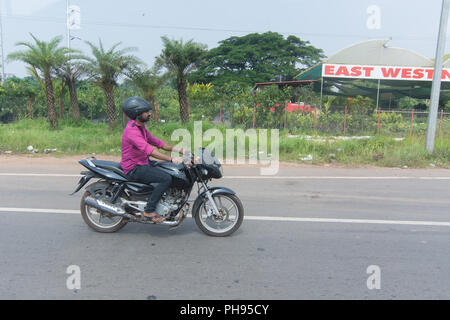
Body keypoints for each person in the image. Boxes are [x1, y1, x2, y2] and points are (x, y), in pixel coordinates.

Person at [121, 96, 185, 224]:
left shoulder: (140, 127)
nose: (149, 114)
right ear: (137, 113)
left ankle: (167, 202)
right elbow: (151, 151)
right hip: (134, 167)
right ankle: (149, 210)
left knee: (168, 169)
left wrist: (181, 150)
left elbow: (158, 143)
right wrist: (172, 159)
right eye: (146, 112)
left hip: (143, 162)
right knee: (165, 178)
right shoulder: (132, 131)